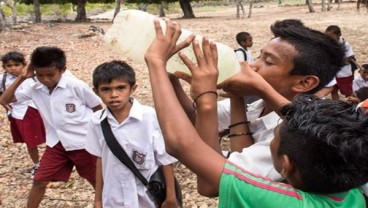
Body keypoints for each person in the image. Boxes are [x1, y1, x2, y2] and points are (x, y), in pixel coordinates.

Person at [144, 19, 368, 207]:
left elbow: (206, 179)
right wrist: (170, 77)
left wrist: (205, 96)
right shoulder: (258, 105)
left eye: (268, 61)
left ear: (305, 82)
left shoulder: (297, 140)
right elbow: (198, 123)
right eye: (259, 55)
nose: (251, 66)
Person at [0, 46, 103, 208]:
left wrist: (99, 137)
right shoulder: (35, 88)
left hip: (83, 143)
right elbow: (5, 100)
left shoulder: (76, 86)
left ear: (63, 70)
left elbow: (98, 108)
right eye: (40, 75)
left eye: (50, 75)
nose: (45, 79)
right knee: (39, 180)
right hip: (56, 143)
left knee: (96, 182)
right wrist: (23, 77)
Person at [85, 60, 179, 208]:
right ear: (96, 91)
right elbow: (100, 160)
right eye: (106, 89)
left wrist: (171, 197)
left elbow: (165, 159)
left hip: (147, 196)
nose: (114, 95)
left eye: (121, 88)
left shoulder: (149, 117)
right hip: (114, 196)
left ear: (133, 88)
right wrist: (98, 199)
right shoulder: (96, 121)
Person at [0, 51, 46, 176]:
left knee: (46, 136)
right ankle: (38, 164)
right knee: (29, 141)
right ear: (4, 67)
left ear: (24, 65)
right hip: (17, 113)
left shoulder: (34, 77)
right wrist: (4, 103)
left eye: (16, 65)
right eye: (9, 66)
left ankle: (54, 161)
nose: (13, 68)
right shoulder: (3, 78)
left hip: (34, 111)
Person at [325, 25, 356, 100]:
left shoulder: (346, 45)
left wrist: (336, 61)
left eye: (331, 36)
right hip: (332, 73)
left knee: (348, 92)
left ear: (339, 35)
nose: (329, 38)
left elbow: (350, 58)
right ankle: (336, 106)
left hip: (344, 74)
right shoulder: (327, 45)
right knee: (333, 90)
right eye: (327, 36)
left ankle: (350, 106)